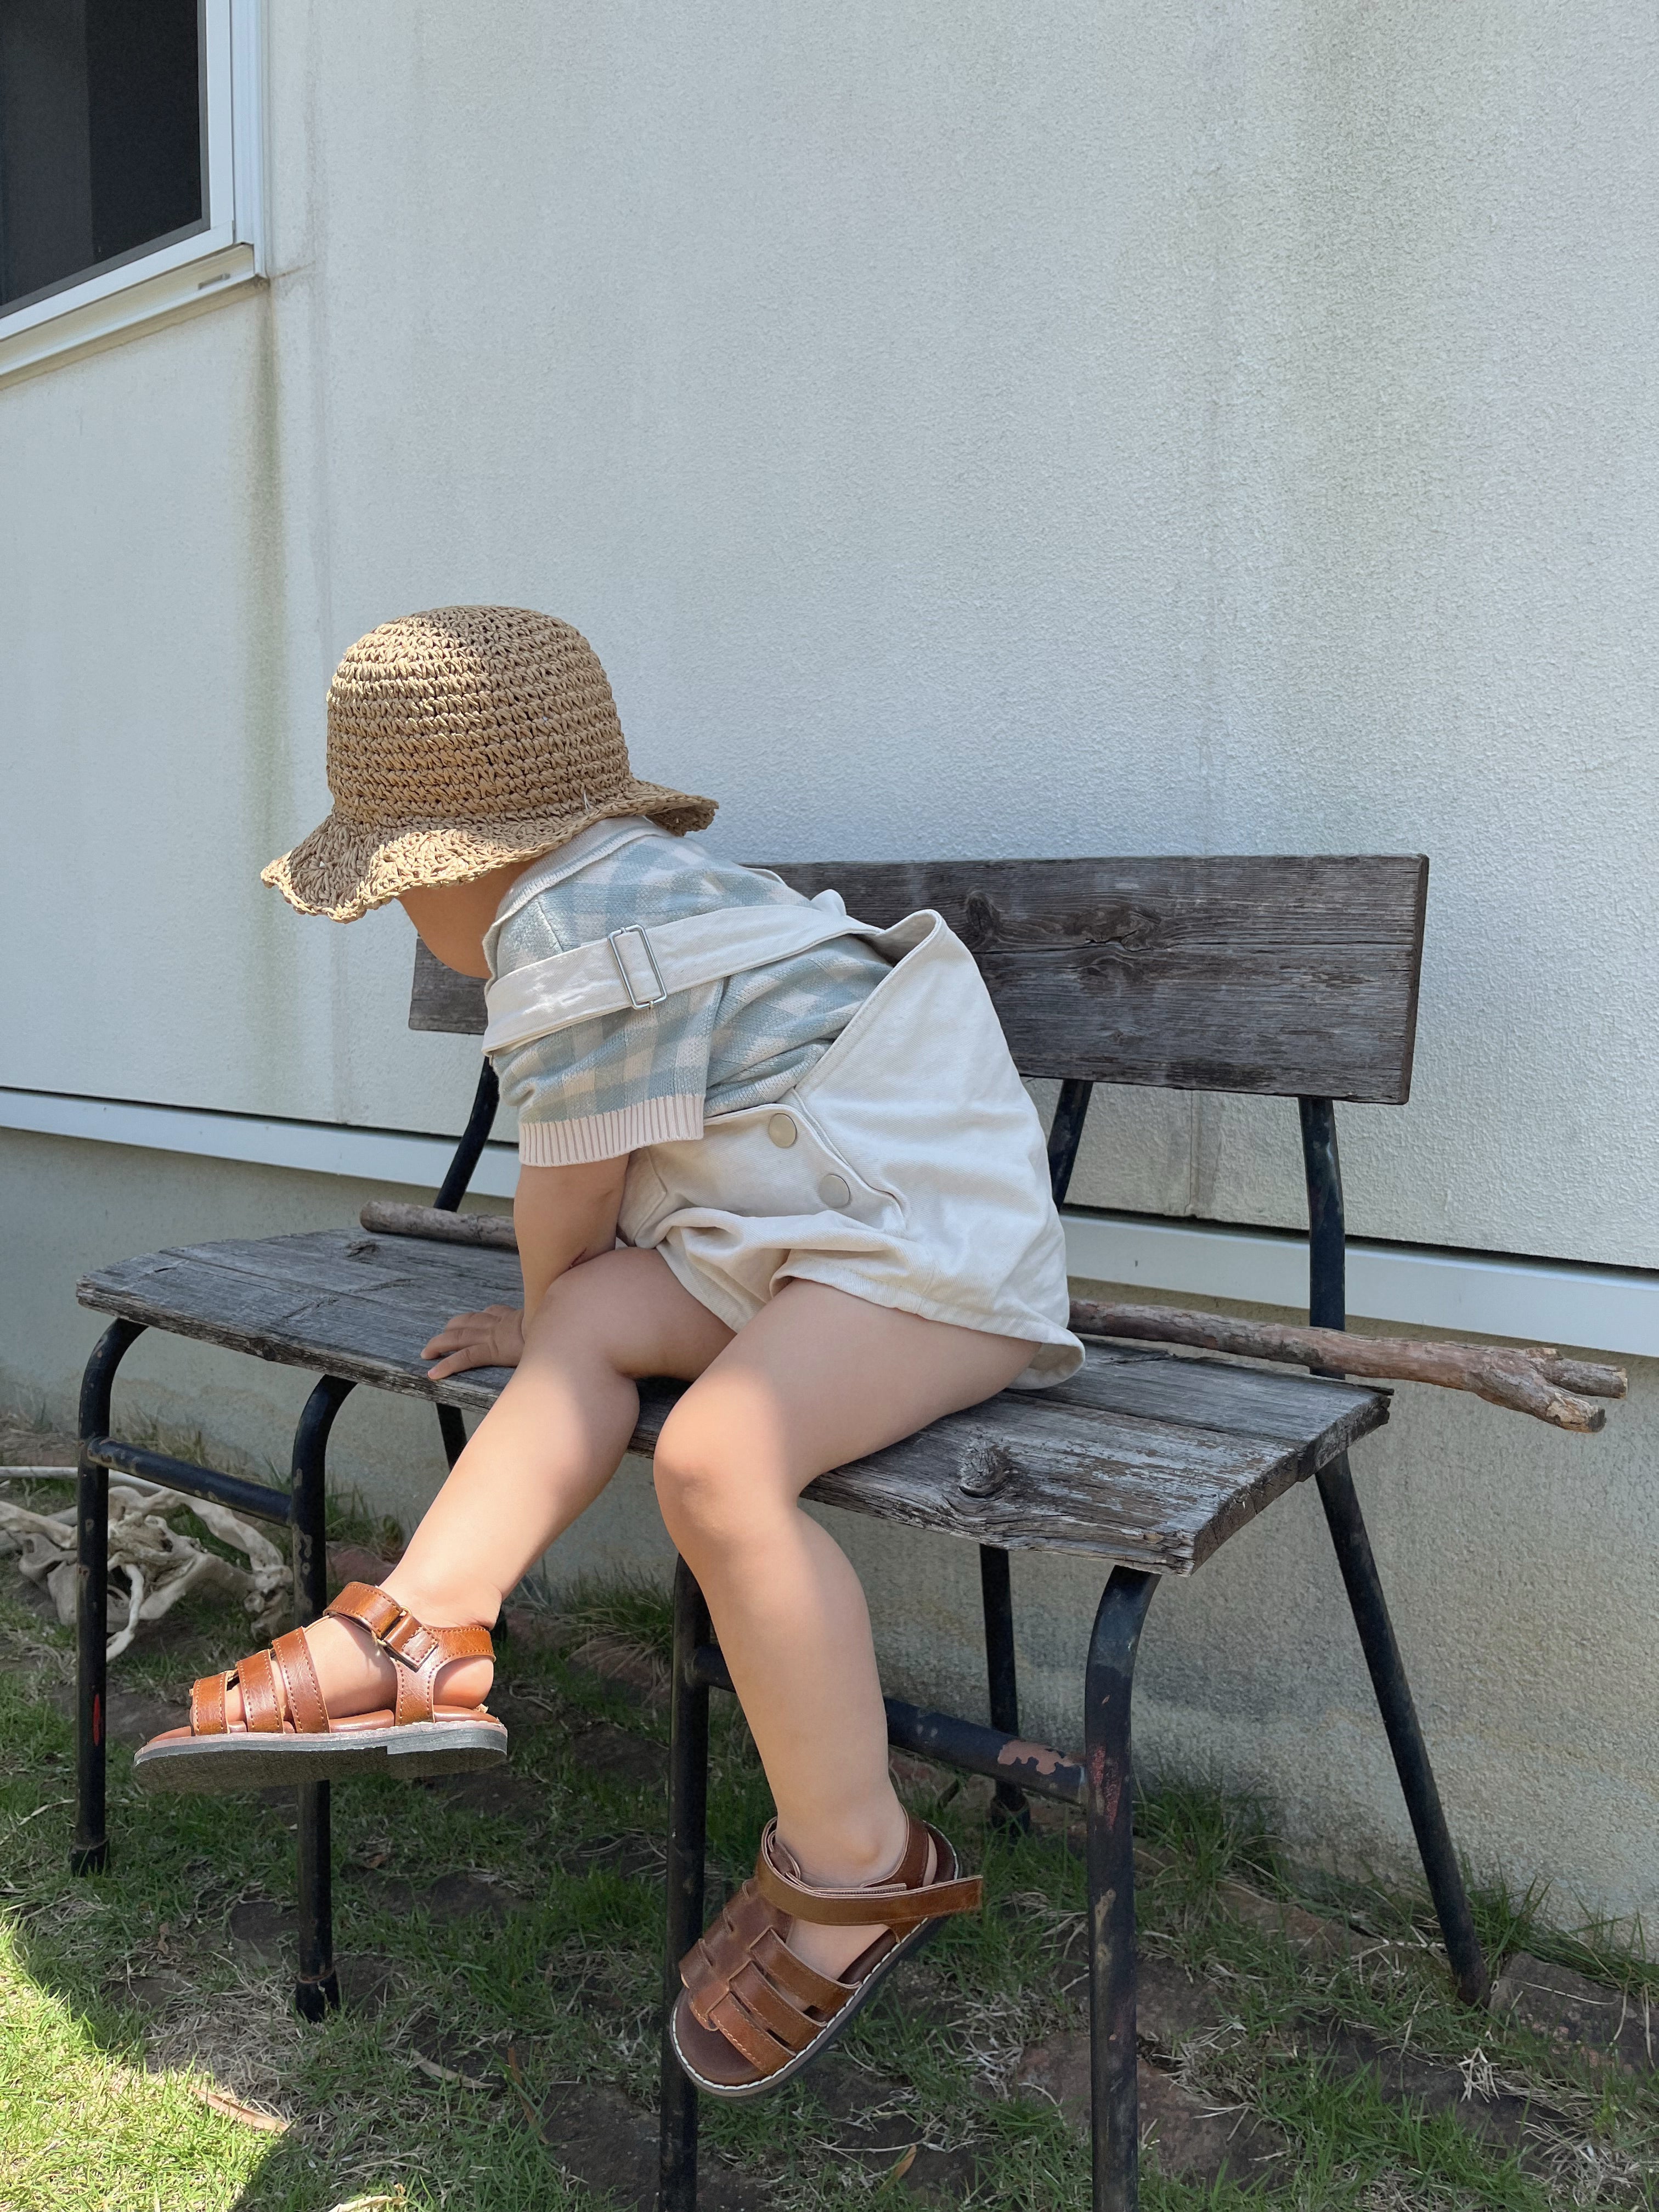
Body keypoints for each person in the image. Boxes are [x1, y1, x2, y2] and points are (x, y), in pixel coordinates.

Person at [136, 605, 1082, 2095]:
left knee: (714, 1458)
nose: (405, 921)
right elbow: (609, 1229)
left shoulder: (570, 935)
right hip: (787, 1232)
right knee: (582, 1318)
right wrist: (565, 1312)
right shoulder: (606, 892)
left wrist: (560, 1293)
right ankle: (423, 1637)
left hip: (921, 1254)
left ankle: (865, 1856)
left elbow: (567, 1191)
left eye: (393, 889)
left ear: (454, 865)